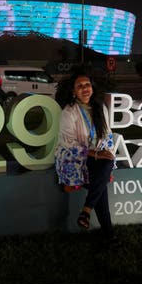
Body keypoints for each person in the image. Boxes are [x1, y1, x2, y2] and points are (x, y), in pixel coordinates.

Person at [54, 70, 117, 243]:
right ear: (73, 91)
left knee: (108, 161)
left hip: (95, 155)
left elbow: (108, 134)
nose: (85, 88)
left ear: (92, 88)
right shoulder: (69, 111)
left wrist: (104, 151)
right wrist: (96, 153)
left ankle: (88, 214)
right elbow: (68, 143)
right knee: (101, 184)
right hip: (74, 156)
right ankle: (106, 231)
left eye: (87, 85)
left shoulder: (100, 108)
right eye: (80, 86)